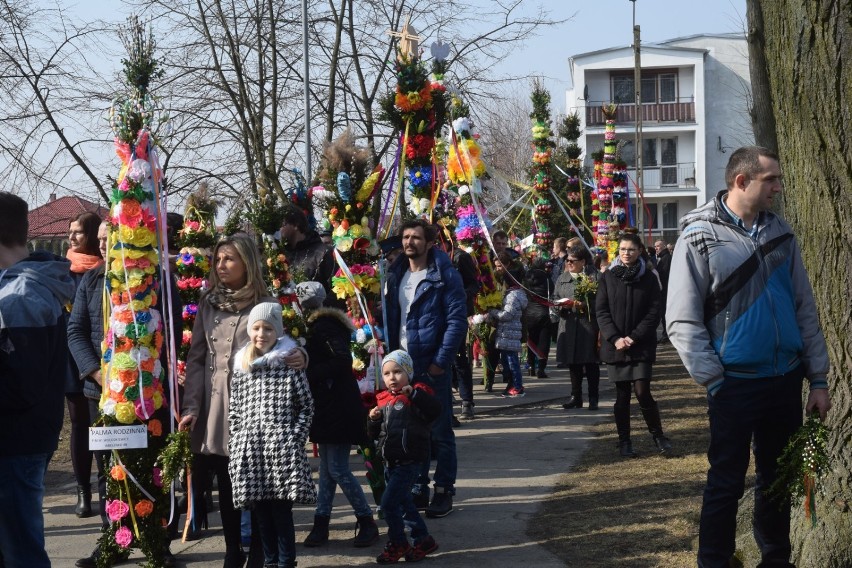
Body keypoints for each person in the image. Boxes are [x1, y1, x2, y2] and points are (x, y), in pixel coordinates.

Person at [666, 146, 831, 568]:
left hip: (784, 380)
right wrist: (715, 379)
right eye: (771, 180)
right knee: (725, 483)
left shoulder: (782, 234)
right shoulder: (698, 236)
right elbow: (681, 321)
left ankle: (776, 560)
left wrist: (817, 379)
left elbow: (803, 308)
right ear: (742, 181)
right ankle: (714, 563)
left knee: (777, 482)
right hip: (734, 384)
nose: (778, 187)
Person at [179, 234, 307, 567]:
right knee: (225, 476)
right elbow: (196, 357)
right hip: (214, 402)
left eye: (229, 259)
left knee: (254, 478)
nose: (221, 265)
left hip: (254, 402)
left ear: (246, 263)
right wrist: (192, 406)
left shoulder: (264, 302)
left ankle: (261, 549)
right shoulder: (208, 301)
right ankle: (233, 548)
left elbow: (286, 342)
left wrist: (301, 355)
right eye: (218, 259)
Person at [70, 220, 182, 568]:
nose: (103, 245)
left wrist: (148, 373)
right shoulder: (92, 280)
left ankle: (158, 541)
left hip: (150, 393)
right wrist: (101, 374)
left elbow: (175, 328)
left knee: (154, 467)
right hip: (102, 393)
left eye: (110, 238)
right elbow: (76, 331)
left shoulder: (156, 278)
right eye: (100, 239)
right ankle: (114, 540)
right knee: (108, 469)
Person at [0, 192, 75, 567]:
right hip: (22, 436)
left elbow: (22, 384)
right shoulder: (13, 286)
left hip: (16, 441)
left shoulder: (21, 294)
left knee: (20, 552)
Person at [383, 219, 467, 518]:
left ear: (429, 242)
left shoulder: (444, 275)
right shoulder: (395, 275)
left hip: (431, 364)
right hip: (402, 363)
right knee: (410, 428)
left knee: (440, 430)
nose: (409, 242)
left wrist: (439, 363)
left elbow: (457, 321)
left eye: (416, 237)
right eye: (405, 237)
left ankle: (444, 489)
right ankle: (418, 485)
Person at [229, 302, 316, 568]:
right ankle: (269, 561)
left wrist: (295, 438)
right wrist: (236, 442)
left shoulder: (288, 364)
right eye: (256, 328)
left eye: (268, 328)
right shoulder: (243, 368)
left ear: (277, 332)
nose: (261, 334)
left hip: (281, 450)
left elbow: (306, 406)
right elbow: (235, 411)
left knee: (281, 514)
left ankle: (286, 562)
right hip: (252, 450)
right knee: (261, 516)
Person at [297, 281, 380, 548]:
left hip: (338, 405)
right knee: (327, 470)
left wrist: (307, 373)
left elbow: (341, 361)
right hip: (328, 404)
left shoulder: (324, 327)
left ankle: (366, 520)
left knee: (338, 469)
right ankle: (321, 524)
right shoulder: (317, 326)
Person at [596, 233, 672, 458]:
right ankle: (625, 441)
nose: (626, 253)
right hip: (616, 346)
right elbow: (601, 311)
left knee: (642, 392)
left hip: (640, 345)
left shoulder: (649, 277)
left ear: (639, 251)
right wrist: (615, 338)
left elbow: (654, 311)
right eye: (622, 249)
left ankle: (658, 436)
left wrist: (635, 337)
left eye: (631, 249)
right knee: (622, 396)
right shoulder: (608, 277)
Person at [368, 350, 441, 564]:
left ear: (408, 372)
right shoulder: (382, 401)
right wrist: (372, 420)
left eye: (398, 372)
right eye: (387, 373)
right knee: (404, 504)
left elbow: (435, 410)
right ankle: (423, 540)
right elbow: (374, 435)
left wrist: (414, 395)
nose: (392, 378)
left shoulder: (417, 394)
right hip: (390, 462)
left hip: (409, 463)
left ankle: (399, 541)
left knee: (389, 505)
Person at [64, 211, 104, 518]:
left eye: (79, 232)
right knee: (79, 422)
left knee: (102, 427)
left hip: (104, 361)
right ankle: (84, 491)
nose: (72, 237)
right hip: (73, 355)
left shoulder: (105, 273)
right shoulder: (66, 269)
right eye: (71, 232)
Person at [438, 232, 480, 420]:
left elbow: (474, 284)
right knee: (441, 359)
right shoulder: (428, 258)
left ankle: (467, 402)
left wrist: (460, 294)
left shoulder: (460, 257)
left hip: (457, 314)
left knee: (459, 357)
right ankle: (447, 402)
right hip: (436, 315)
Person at [554, 245, 601, 410]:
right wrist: (561, 306)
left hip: (588, 326)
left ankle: (593, 397)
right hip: (568, 325)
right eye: (567, 260)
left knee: (590, 363)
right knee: (573, 363)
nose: (568, 263)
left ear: (583, 261)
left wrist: (586, 305)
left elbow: (603, 302)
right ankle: (576, 396)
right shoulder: (562, 278)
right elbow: (554, 299)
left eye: (572, 261)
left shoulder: (595, 277)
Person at [490, 253, 528, 397]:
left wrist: (493, 312)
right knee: (507, 362)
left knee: (512, 363)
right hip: (507, 334)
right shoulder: (512, 294)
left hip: (510, 334)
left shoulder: (513, 295)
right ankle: (512, 385)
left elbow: (507, 315)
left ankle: (518, 387)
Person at [280, 205, 335, 290]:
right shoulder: (281, 257)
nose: (278, 230)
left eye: (281, 224)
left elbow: (337, 291)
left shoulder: (324, 252)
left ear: (296, 225)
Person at [523, 258, 553, 379]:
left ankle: (531, 366)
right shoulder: (546, 278)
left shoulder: (526, 278)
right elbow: (552, 292)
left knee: (532, 341)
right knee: (544, 342)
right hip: (543, 313)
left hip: (529, 313)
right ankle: (541, 368)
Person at [652, 240, 672, 342]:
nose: (656, 248)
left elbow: (664, 275)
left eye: (658, 246)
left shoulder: (666, 258)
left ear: (663, 246)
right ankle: (666, 333)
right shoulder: (662, 257)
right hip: (664, 289)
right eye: (655, 246)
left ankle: (666, 334)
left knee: (664, 313)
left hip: (665, 290)